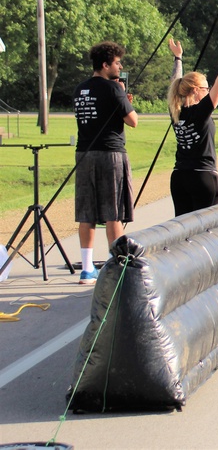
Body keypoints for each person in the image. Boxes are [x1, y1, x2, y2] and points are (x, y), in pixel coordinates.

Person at [73, 41, 138, 284]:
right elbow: (133, 121)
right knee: (114, 212)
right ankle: (117, 266)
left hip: (85, 154)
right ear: (105, 64)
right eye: (117, 63)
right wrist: (123, 97)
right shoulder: (114, 89)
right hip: (111, 154)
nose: (120, 67)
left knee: (86, 212)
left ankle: (87, 268)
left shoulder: (80, 89)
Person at [166, 36, 218, 216]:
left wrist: (178, 58)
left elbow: (175, 83)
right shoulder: (200, 113)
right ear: (196, 91)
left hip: (180, 177)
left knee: (183, 231)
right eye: (206, 89)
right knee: (204, 233)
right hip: (202, 177)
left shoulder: (175, 110)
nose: (208, 91)